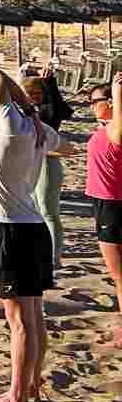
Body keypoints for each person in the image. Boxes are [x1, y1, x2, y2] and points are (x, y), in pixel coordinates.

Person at [0, 68, 58, 402]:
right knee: (34, 314)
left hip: (12, 231)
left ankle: (16, 397)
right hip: (33, 226)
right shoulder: (35, 132)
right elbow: (63, 147)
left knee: (19, 320)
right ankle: (32, 384)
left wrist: (28, 108)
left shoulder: (11, 125)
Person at [86, 72, 122, 348]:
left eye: (95, 101)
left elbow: (118, 134)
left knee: (118, 272)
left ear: (109, 102)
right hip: (104, 203)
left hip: (113, 204)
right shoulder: (105, 126)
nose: (91, 106)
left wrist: (118, 92)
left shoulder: (115, 127)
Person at [23, 72, 73, 270]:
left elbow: (58, 111)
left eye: (38, 92)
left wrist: (50, 84)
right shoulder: (24, 112)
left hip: (48, 162)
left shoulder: (47, 110)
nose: (34, 96)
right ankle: (41, 253)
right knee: (36, 210)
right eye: (29, 92)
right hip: (30, 163)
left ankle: (54, 258)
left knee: (48, 210)